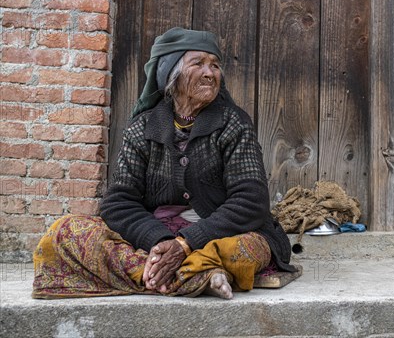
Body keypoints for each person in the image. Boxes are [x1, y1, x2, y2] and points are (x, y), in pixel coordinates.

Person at [33, 28, 295, 299]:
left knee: (246, 248)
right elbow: (118, 203)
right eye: (198, 64)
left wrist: (186, 242)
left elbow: (251, 201)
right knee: (66, 232)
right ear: (171, 74)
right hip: (157, 238)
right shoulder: (142, 127)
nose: (210, 72)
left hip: (219, 234)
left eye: (215, 65)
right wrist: (160, 241)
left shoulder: (233, 123)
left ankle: (158, 273)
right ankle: (197, 274)